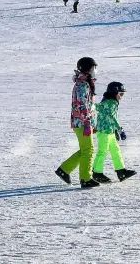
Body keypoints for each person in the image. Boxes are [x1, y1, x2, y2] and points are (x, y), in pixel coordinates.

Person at [54, 56, 100, 189]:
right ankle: (85, 179)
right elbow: (81, 105)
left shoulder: (86, 83)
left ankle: (64, 169)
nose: (95, 71)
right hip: (82, 122)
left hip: (83, 122)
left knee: (85, 150)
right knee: (88, 150)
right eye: (93, 68)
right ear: (87, 69)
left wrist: (93, 122)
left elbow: (89, 105)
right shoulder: (82, 85)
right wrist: (87, 123)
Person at [91, 81, 136, 184]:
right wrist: (120, 129)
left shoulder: (108, 101)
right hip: (104, 132)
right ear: (114, 92)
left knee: (115, 150)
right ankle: (97, 173)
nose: (121, 97)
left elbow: (100, 109)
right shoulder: (111, 103)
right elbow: (112, 117)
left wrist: (114, 130)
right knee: (102, 151)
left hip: (109, 131)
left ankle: (121, 171)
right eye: (121, 94)